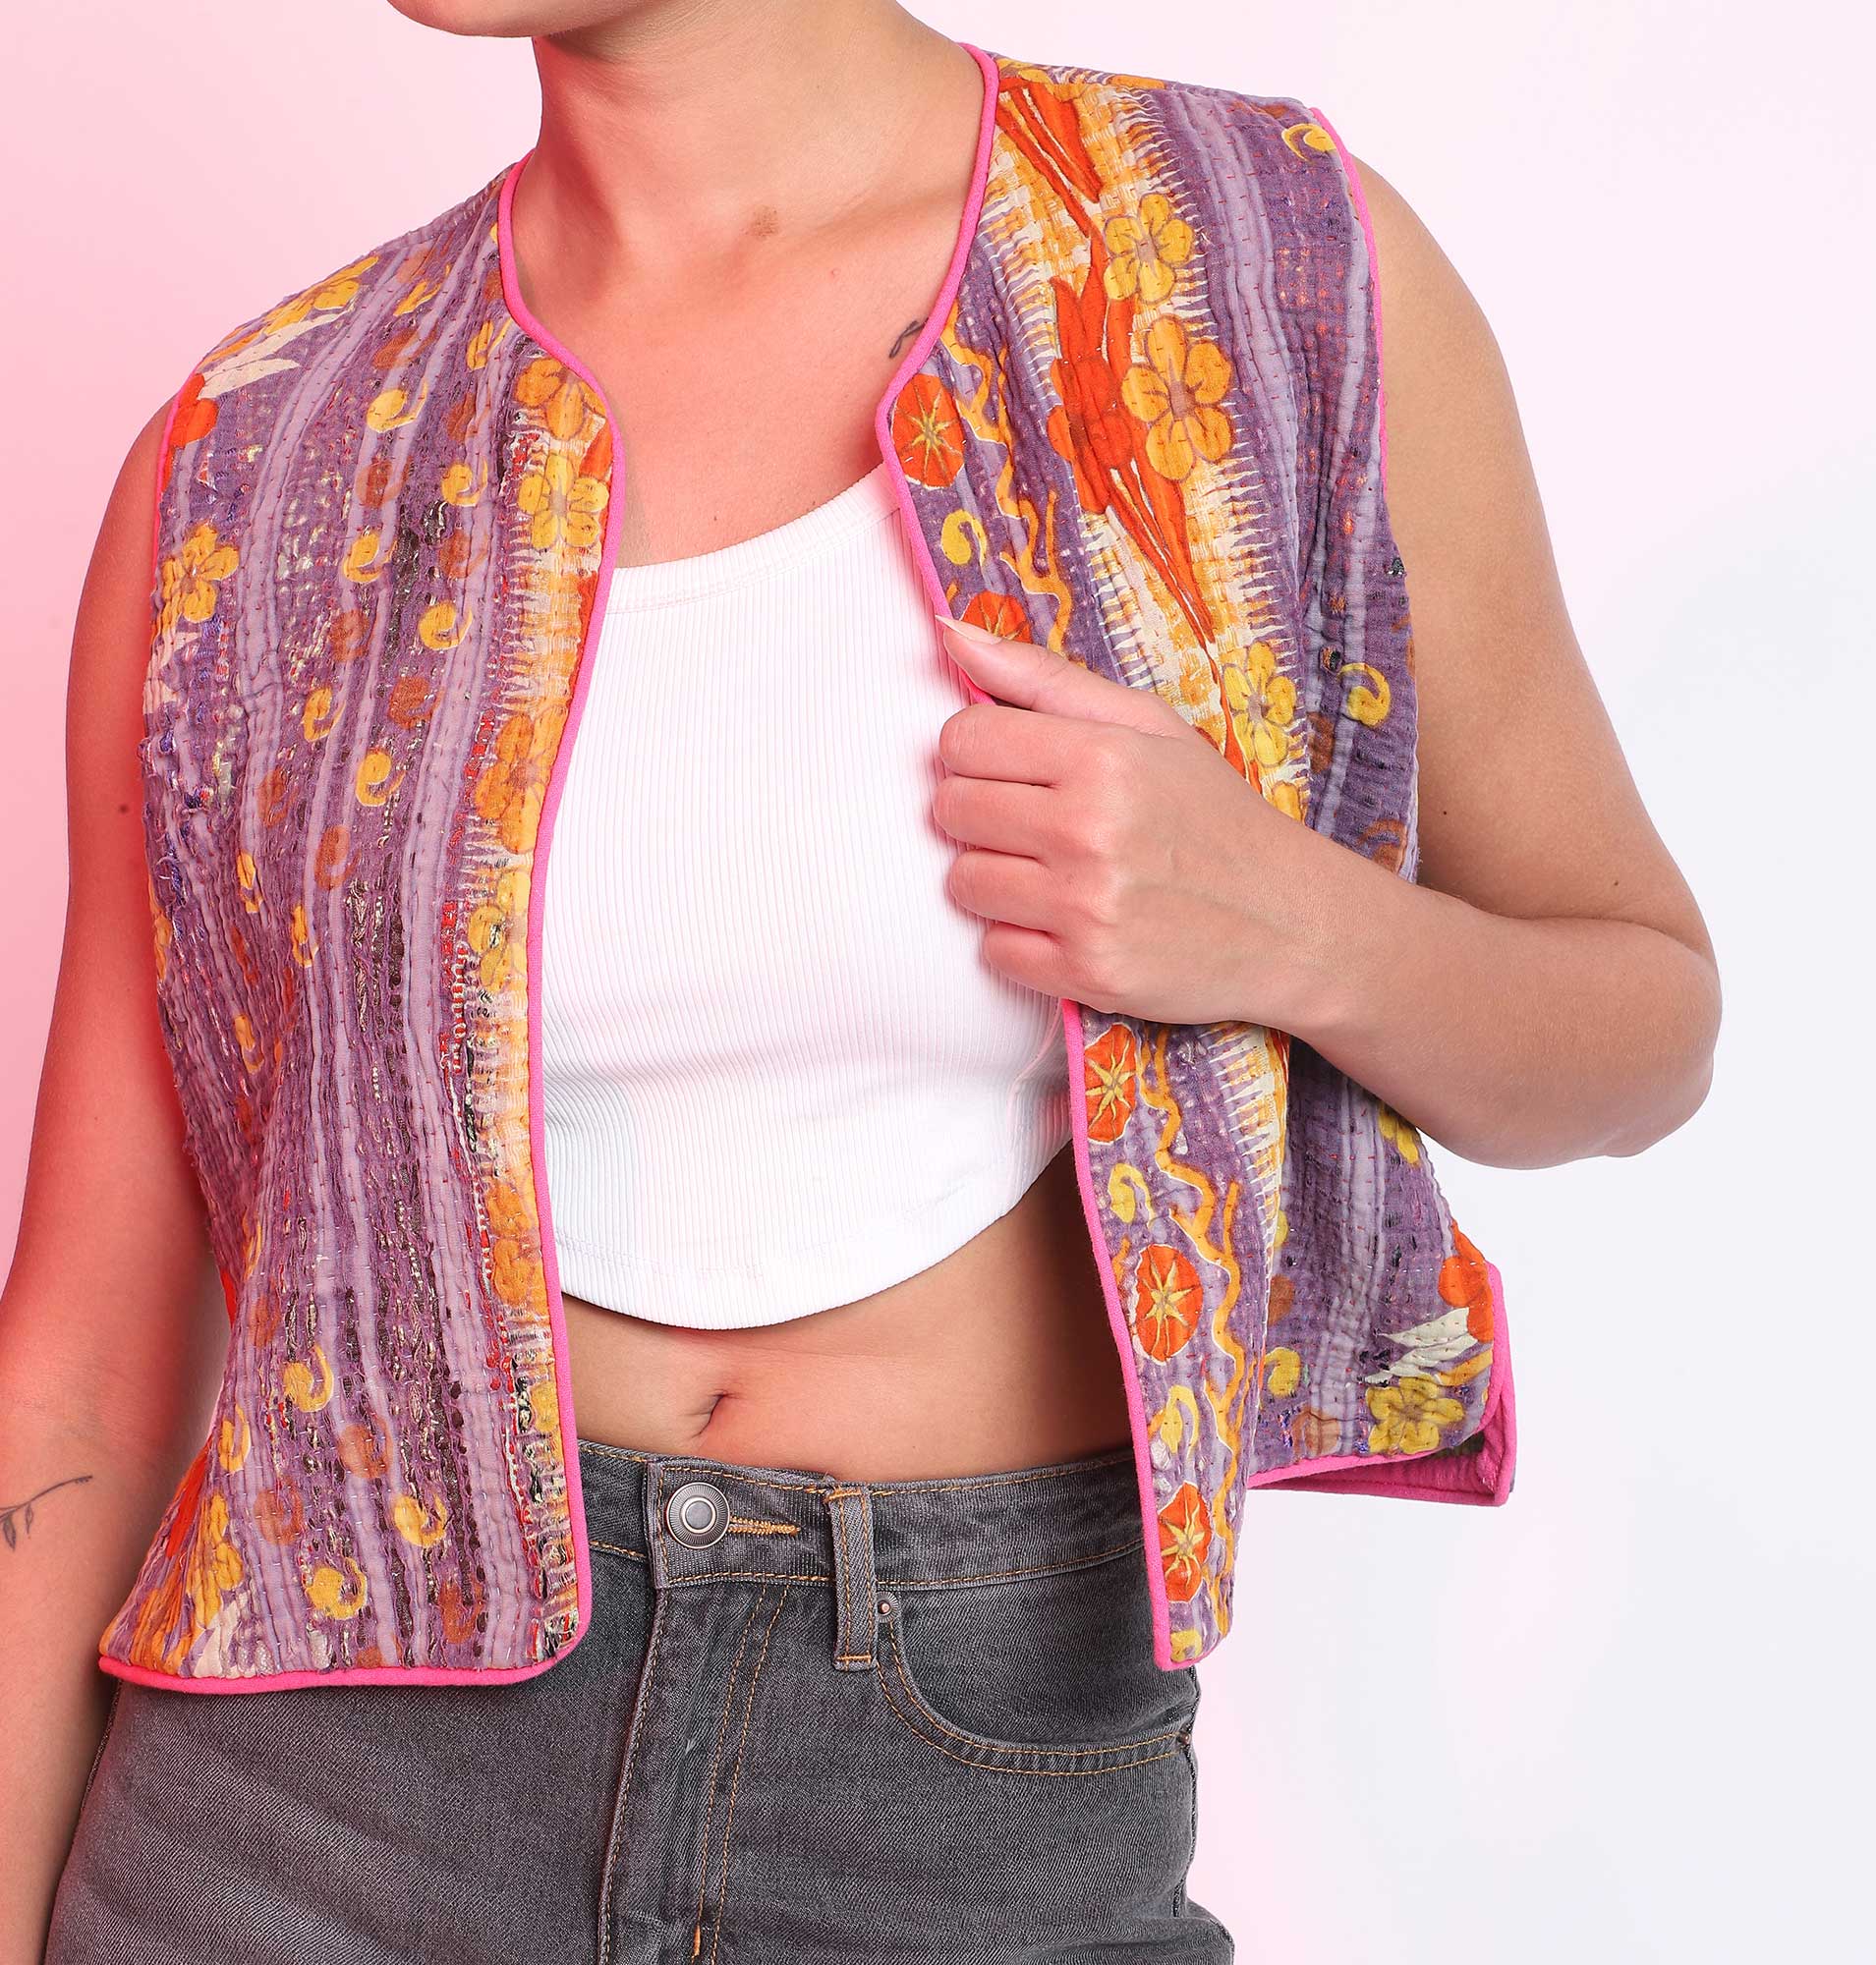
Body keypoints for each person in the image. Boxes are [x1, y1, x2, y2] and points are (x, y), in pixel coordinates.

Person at [5, 3, 1722, 1960]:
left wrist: (1295, 922)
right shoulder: (261, 448)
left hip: (973, 1790)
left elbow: (1639, 1030)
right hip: (308, 1821)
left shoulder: (1243, 261)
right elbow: (88, 1356)